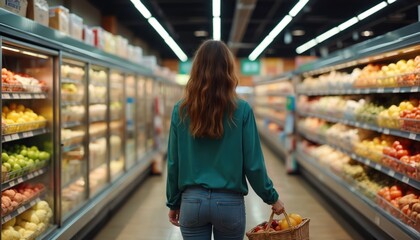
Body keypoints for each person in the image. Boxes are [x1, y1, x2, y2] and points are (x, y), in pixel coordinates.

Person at [166, 40, 284, 240]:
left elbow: (173, 162)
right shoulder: (242, 109)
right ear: (228, 69)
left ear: (196, 70)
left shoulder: (181, 110)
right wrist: (271, 197)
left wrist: (174, 202)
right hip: (230, 203)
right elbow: (253, 164)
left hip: (192, 202)